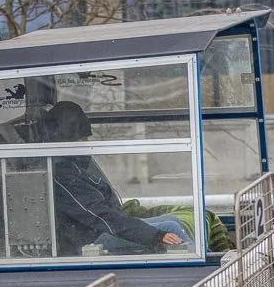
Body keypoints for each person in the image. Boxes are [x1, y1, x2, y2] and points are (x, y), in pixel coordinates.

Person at [43, 101, 192, 255]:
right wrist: (155, 235)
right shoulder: (63, 176)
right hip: (89, 239)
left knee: (174, 220)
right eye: (82, 140)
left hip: (100, 230)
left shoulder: (73, 168)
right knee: (170, 227)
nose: (86, 146)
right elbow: (100, 215)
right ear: (66, 141)